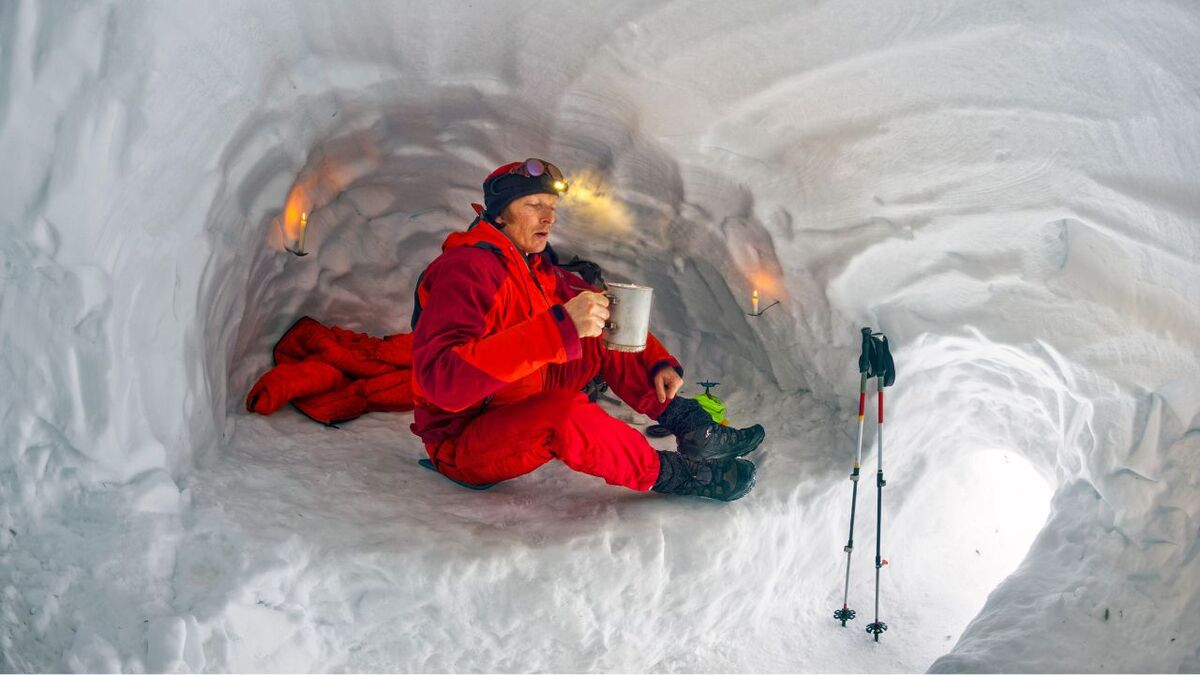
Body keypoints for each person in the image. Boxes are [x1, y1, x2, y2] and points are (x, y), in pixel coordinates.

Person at [409, 159, 765, 501]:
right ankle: (678, 474)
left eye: (552, 206)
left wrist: (657, 362)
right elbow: (443, 383)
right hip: (466, 437)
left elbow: (600, 307)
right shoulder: (468, 269)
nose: (548, 217)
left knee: (600, 327)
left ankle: (693, 427)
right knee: (562, 413)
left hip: (517, 395)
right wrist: (558, 329)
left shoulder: (532, 265)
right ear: (500, 213)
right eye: (534, 204)